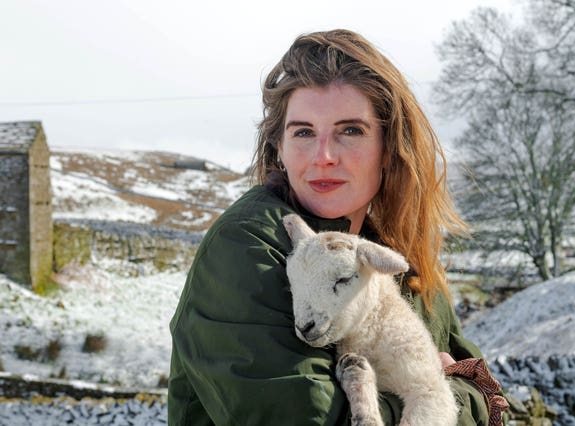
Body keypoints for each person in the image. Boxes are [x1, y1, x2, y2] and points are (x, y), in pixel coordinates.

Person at [168, 29, 507, 425]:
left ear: (389, 147)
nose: (324, 155)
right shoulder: (250, 245)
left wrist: (457, 395)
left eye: (350, 131)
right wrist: (448, 398)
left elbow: (492, 399)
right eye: (304, 132)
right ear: (279, 147)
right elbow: (304, 418)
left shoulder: (398, 262)